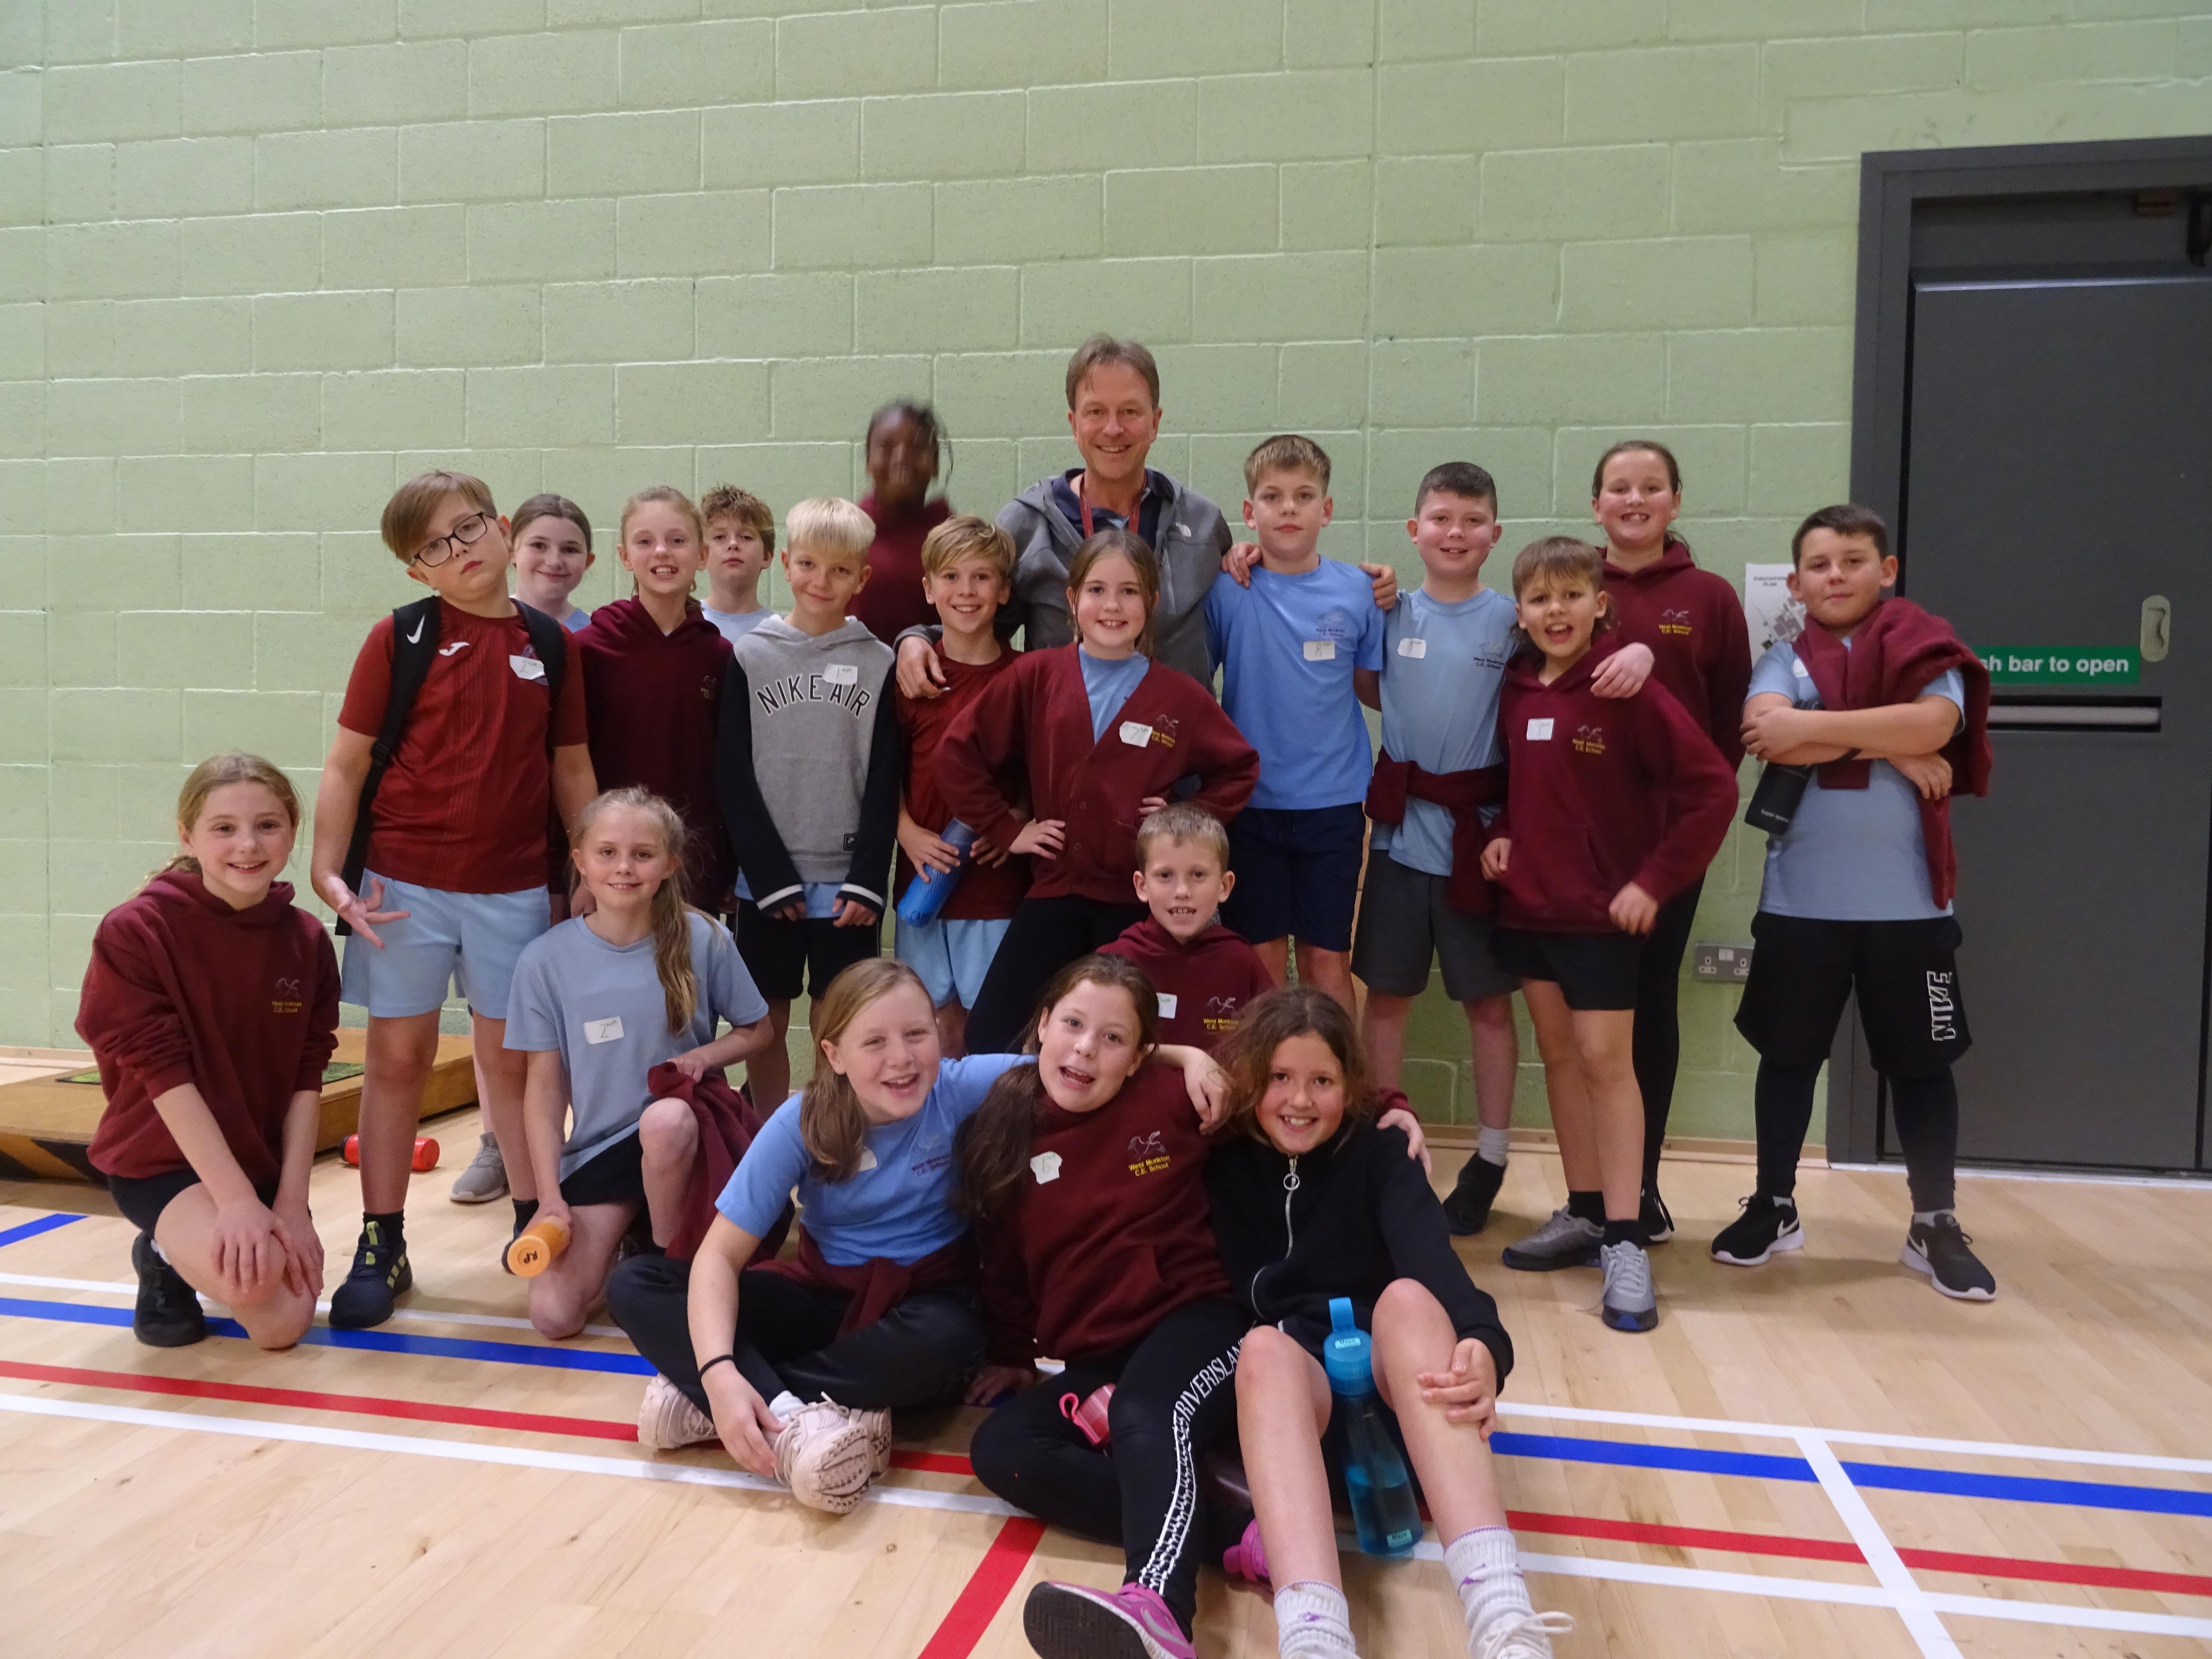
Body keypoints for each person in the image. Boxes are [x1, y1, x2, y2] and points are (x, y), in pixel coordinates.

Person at [958, 956, 1431, 1659]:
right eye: (1073, 1025)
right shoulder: (1000, 1125)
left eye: (1112, 1038)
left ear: (1139, 1056)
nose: (1085, 1050)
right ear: (1043, 1025)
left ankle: (1159, 1610)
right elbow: (1000, 1259)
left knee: (1150, 1411)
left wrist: (1389, 1104)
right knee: (1003, 1449)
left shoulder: (1175, 1096)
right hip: (1102, 1356)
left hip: (1202, 1322)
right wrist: (1008, 1351)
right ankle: (1237, 1537)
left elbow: (1294, 1086)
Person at [313, 470, 596, 1329]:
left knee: (512, 1066)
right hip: (402, 886)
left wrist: (586, 869)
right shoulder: (398, 638)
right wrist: (327, 871)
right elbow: (346, 765)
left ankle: (533, 1217)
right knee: (395, 1062)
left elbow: (570, 767)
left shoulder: (552, 644)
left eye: (469, 527)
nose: (460, 549)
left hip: (514, 888)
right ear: (417, 570)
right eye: (435, 545)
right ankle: (382, 1239)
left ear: (502, 528)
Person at [1207, 987, 1569, 1659]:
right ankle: (1315, 1638)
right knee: (1261, 1348)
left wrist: (1485, 1345)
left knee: (1407, 1298)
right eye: (1280, 1077)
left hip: (1406, 1422)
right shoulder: (1222, 1160)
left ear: (1351, 1086)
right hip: (1301, 1439)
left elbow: (1438, 1269)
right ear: (1253, 1078)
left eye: (1322, 1081)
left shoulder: (1379, 1154)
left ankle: (1503, 1618)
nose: (1299, 1100)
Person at [1353, 464, 1654, 1235]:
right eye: (1440, 518)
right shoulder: (1386, 610)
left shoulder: (1512, 621)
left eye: (1471, 520)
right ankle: (1380, 1149)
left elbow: (1579, 658)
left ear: (1494, 533)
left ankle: (1489, 1158)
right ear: (1414, 529)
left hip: (1480, 839)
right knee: (1385, 998)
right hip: (1399, 836)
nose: (1454, 533)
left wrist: (1643, 653)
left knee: (1488, 1002)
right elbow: (1364, 682)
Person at [1719, 504, 1995, 1298]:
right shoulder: (1783, 657)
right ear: (1796, 581)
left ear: (1887, 570)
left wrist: (1841, 733)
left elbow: (1934, 722)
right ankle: (1774, 1205)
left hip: (1909, 910)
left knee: (1922, 1066)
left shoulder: (1924, 651)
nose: (1834, 576)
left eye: (1851, 560)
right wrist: (1894, 748)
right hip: (1800, 903)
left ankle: (1933, 1220)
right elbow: (1764, 731)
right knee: (1787, 1057)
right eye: (1818, 564)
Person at [1480, 537, 1736, 1334]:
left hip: (1599, 916)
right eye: (1539, 598)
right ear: (1519, 612)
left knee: (1604, 1062)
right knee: (1559, 1056)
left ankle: (1625, 1239)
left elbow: (1712, 790)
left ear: (1599, 604)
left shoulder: (1627, 686)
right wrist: (1503, 834)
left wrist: (1652, 881)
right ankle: (1585, 1210)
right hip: (1529, 907)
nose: (1554, 611)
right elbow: (1531, 787)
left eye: (1570, 596)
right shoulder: (1517, 687)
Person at [894, 335, 1396, 699]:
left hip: (1179, 774)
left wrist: (1360, 585)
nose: (1113, 429)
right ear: (1074, 424)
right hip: (1064, 769)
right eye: (1096, 412)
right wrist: (918, 638)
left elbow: (1267, 600)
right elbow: (975, 621)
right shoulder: (1028, 523)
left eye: (1131, 412)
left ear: (1155, 422)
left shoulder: (1202, 523)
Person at [934, 528, 1260, 1054]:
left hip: (1134, 901)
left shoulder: (1179, 696)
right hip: (1055, 891)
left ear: (1151, 603)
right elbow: (957, 753)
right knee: (993, 1035)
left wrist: (1181, 817)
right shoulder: (1037, 676)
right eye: (1097, 590)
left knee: (1123, 1037)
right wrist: (1007, 829)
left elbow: (1240, 767)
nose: (1112, 606)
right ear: (1073, 599)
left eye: (1129, 592)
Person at [80, 754, 338, 1351]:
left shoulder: (306, 939)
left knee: (282, 1326)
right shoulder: (135, 931)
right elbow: (164, 1077)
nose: (248, 845)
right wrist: (237, 1202)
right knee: (260, 1287)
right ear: (187, 836)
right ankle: (162, 1251)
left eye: (268, 825)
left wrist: (292, 1205)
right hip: (163, 1161)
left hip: (258, 1160)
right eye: (224, 828)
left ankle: (188, 1245)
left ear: (292, 831)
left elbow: (308, 1078)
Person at [504, 789, 774, 1337]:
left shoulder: (706, 938)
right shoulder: (543, 961)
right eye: (607, 853)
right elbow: (545, 1090)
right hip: (602, 1150)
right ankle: (626, 1237)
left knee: (666, 1121)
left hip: (686, 1140)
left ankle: (658, 1260)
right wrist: (548, 1198)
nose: (624, 867)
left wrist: (705, 1056)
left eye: (643, 854)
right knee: (554, 1317)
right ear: (580, 861)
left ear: (670, 864)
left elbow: (759, 1031)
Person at [1590, 439, 1753, 1246]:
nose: (1634, 499)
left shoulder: (1710, 597)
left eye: (1651, 486)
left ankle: (1643, 1187)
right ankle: (1589, 1194)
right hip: (1580, 842)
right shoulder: (1571, 584)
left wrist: (1686, 830)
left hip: (1664, 850)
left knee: (1649, 1004)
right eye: (1619, 487)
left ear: (1675, 501)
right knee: (1585, 1016)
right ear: (1596, 505)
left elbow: (1726, 729)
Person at [716, 496, 900, 1111]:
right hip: (768, 882)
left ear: (862, 578)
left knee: (839, 1021)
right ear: (787, 564)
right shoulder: (751, 654)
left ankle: (828, 1130)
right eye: (810, 565)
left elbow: (886, 777)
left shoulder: (878, 661)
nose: (823, 581)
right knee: (764, 1018)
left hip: (847, 884)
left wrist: (869, 879)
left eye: (840, 570)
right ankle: (768, 1129)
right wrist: (767, 876)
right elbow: (733, 774)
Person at [1202, 435, 1382, 1012]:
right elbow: (1195, 683)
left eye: (1304, 496)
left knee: (1326, 962)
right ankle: (1265, 1072)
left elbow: (1375, 689)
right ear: (1250, 511)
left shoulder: (1360, 591)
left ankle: (1339, 1072)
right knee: (1258, 962)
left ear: (1326, 510)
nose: (1288, 508)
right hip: (1251, 804)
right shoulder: (1227, 590)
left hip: (1333, 805)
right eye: (1272, 496)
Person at [894, 515, 1028, 1057]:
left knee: (990, 1025)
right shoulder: (912, 678)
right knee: (932, 1023)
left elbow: (1044, 768)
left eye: (981, 577)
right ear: (929, 589)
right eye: (951, 577)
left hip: (993, 884)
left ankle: (990, 1117)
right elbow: (882, 771)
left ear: (1004, 590)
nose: (966, 592)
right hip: (923, 873)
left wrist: (1017, 820)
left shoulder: (1027, 677)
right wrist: (905, 831)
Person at [576, 486, 734, 912]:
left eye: (677, 540)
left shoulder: (719, 655)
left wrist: (730, 865)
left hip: (693, 862)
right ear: (625, 556)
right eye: (645, 541)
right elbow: (570, 765)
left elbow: (728, 769)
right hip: (611, 863)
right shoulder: (589, 649)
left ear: (702, 555)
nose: (662, 552)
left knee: (685, 957)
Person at [1100, 801, 1273, 1053]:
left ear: (1224, 886)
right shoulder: (1115, 961)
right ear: (1142, 886)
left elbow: (1272, 1044)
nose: (1182, 891)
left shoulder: (1241, 962)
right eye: (1165, 876)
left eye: (1198, 875)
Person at [851, 399, 955, 644]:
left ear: (935, 464)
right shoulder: (841, 536)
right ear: (868, 461)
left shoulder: (957, 541)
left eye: (916, 448)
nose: (901, 458)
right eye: (887, 447)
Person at [700, 483, 776, 647]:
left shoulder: (783, 633)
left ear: (766, 556)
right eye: (720, 537)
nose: (733, 544)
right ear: (702, 555)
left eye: (746, 537)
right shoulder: (683, 624)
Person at [509, 492, 595, 632]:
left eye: (570, 550)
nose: (554, 562)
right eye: (539, 546)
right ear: (511, 551)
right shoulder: (486, 627)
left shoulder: (595, 635)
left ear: (588, 561)